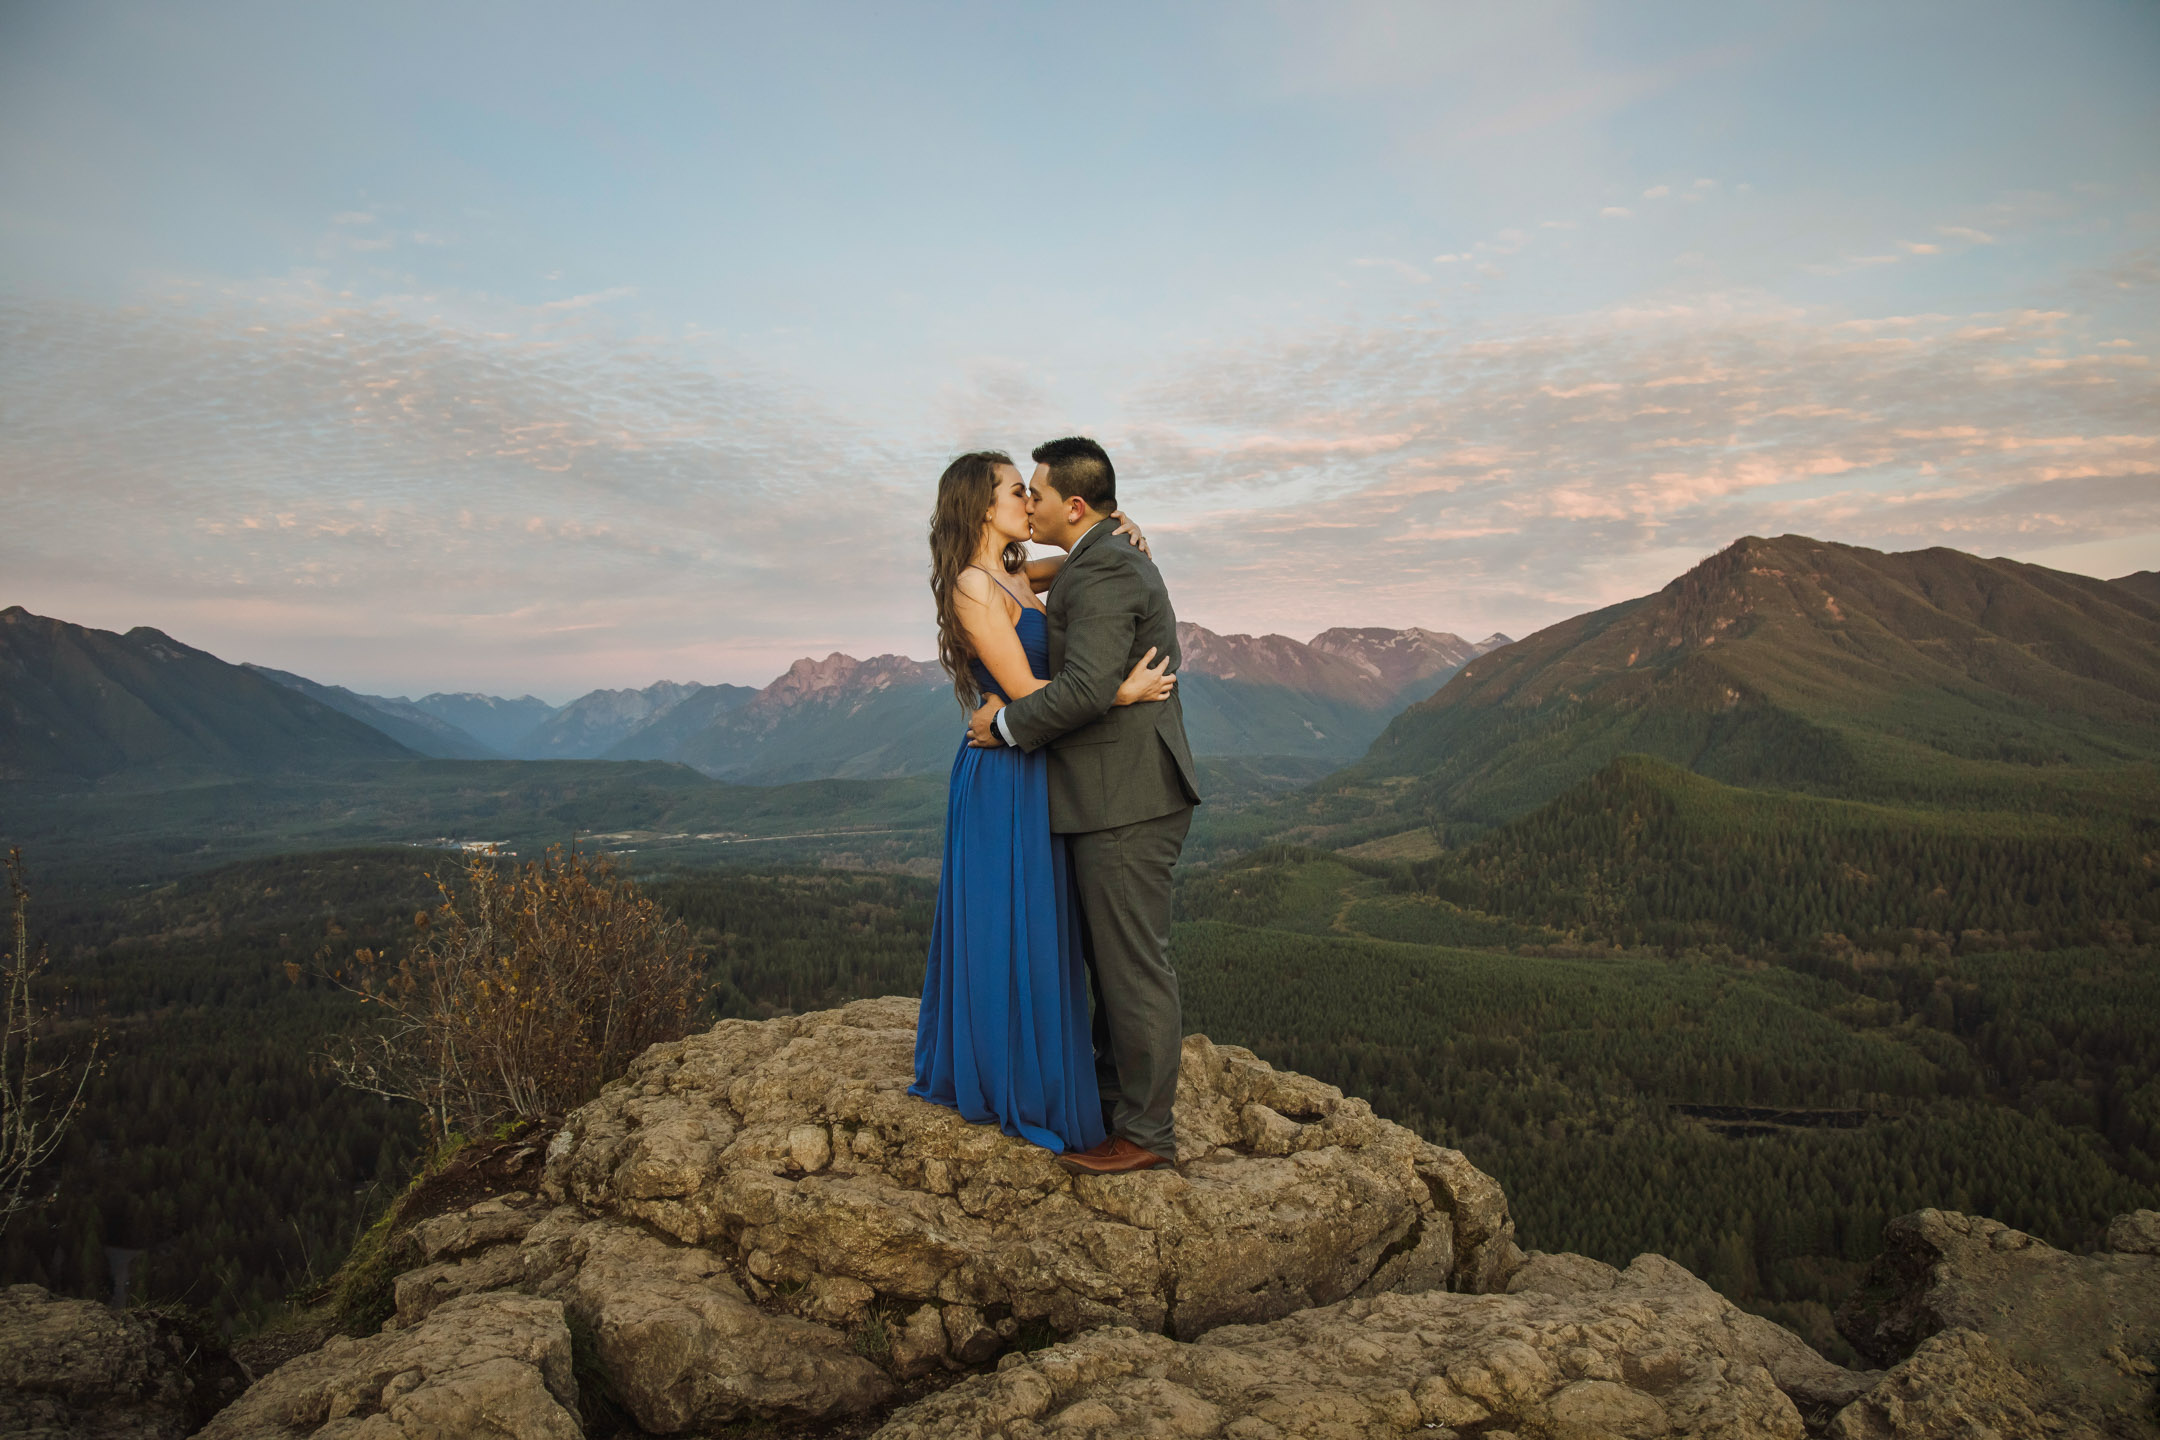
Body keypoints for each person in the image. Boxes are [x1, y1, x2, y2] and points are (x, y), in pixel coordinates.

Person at [910, 450, 1175, 1154]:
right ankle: (1009, 1078)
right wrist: (1119, 691)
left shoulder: (1018, 573)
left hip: (1036, 760)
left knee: (1043, 925)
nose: (1029, 501)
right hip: (1004, 766)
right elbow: (1027, 694)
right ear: (981, 504)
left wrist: (1123, 523)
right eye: (1016, 490)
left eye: (1033, 490)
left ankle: (1061, 1080)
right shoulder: (973, 585)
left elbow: (1087, 557)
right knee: (1008, 921)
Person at [967, 437, 1202, 1176]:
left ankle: (1145, 1136)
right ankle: (1110, 1109)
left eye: (1034, 492)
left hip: (1125, 798)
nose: (1027, 502)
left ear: (1073, 505)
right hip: (1105, 793)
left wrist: (1000, 727)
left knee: (1131, 969)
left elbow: (1081, 687)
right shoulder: (1093, 557)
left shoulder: (1102, 568)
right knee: (1110, 962)